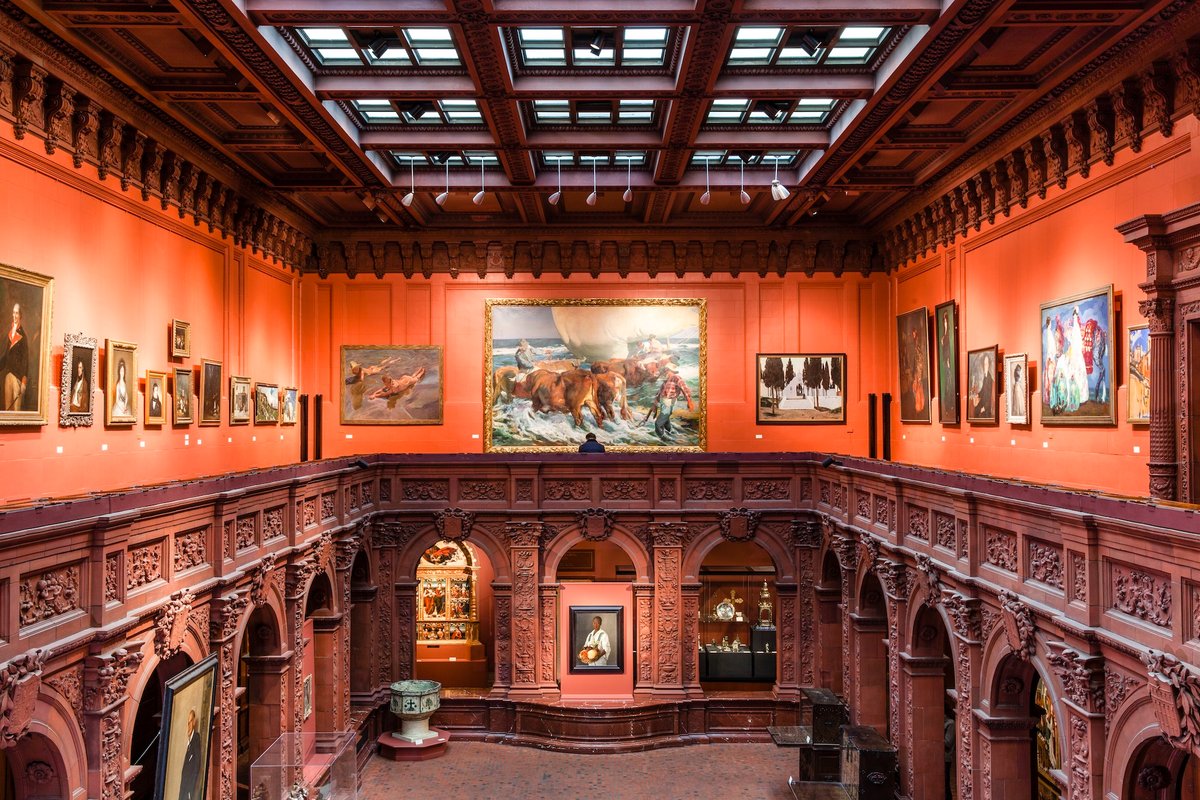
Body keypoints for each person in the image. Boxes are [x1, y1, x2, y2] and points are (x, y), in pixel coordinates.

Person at [651, 360, 693, 440]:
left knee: (658, 424)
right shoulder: (666, 380)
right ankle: (672, 437)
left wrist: (689, 402)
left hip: (669, 403)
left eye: (666, 370)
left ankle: (663, 439)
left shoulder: (676, 378)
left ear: (669, 370)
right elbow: (659, 393)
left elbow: (685, 389)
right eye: (664, 370)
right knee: (666, 422)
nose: (664, 371)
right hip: (664, 403)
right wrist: (655, 406)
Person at [0, 302, 29, 411]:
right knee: (8, 409)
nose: (15, 315)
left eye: (17, 313)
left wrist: (23, 382)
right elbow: (6, 356)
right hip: (8, 375)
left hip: (17, 377)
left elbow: (25, 360)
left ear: (20, 315)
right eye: (13, 313)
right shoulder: (9, 333)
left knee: (16, 410)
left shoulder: (23, 336)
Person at [178, 707, 204, 800]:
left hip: (190, 786)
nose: (188, 725)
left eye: (190, 722)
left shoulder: (196, 738)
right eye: (187, 723)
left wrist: (191, 789)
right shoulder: (186, 740)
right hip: (183, 784)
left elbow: (197, 764)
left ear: (193, 722)